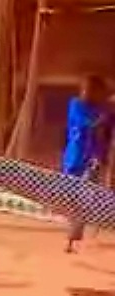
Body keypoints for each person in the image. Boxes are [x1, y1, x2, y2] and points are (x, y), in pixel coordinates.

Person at [61, 74, 111, 253]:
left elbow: (103, 132)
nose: (87, 93)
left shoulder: (100, 108)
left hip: (92, 158)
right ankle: (72, 236)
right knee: (74, 197)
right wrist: (105, 115)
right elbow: (88, 124)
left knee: (84, 197)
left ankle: (73, 238)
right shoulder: (76, 105)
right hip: (75, 156)